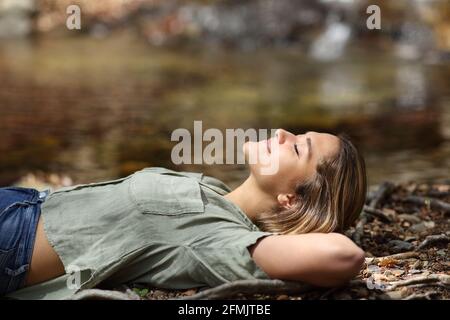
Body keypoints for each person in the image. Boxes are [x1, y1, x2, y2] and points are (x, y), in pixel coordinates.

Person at [1, 129, 367, 299]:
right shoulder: (217, 194)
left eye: (299, 147)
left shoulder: (218, 238)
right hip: (22, 205)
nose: (283, 132)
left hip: (13, 241)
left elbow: (344, 255)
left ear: (292, 199)